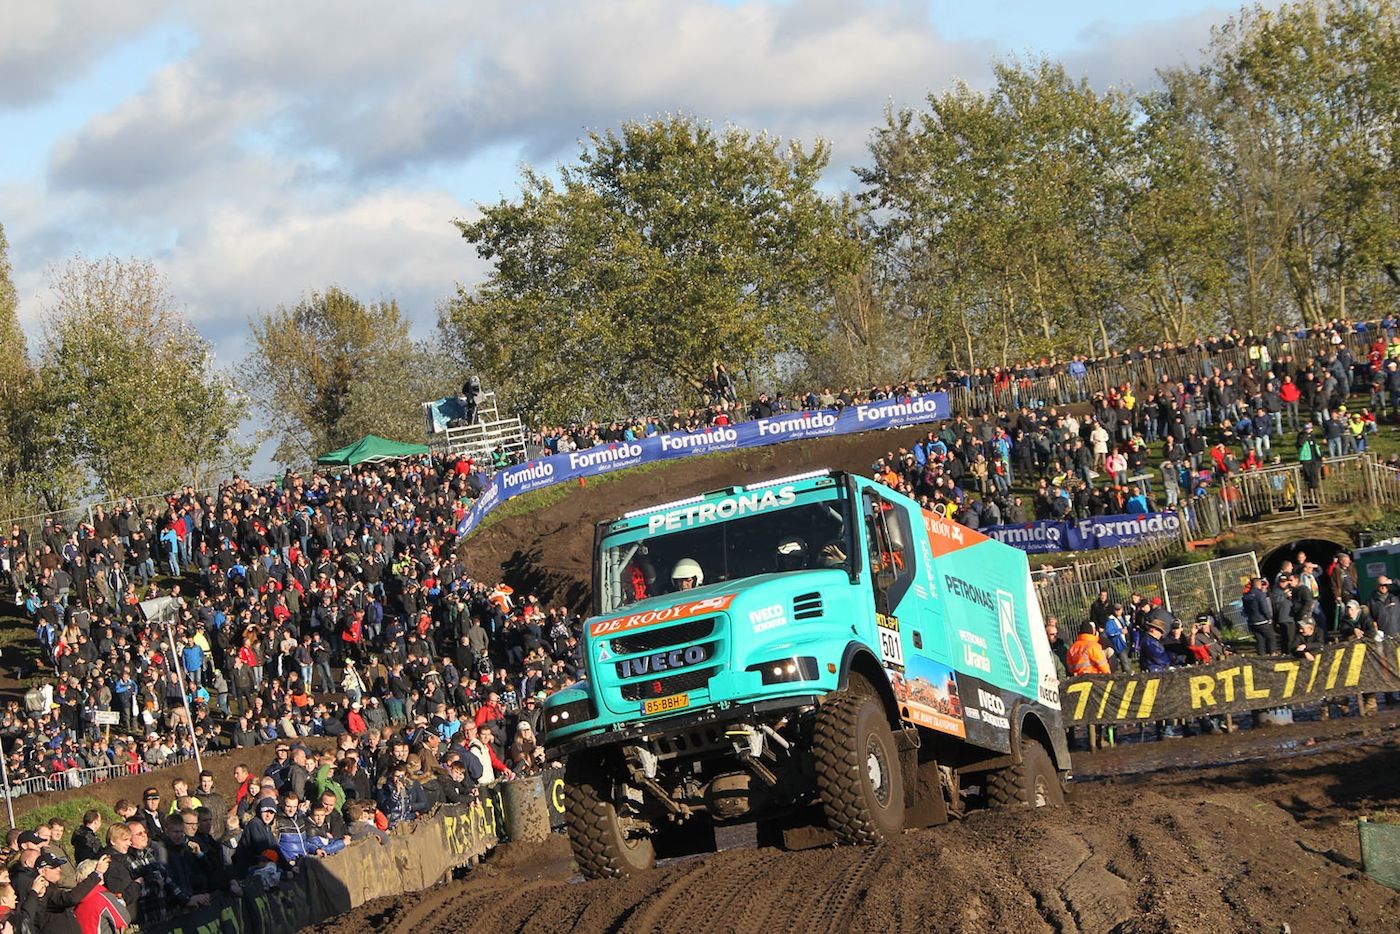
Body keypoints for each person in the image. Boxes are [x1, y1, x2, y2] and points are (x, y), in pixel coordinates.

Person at [21, 852, 106, 934]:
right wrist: (96, 874)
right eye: (54, 867)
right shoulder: (43, 891)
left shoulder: (53, 888)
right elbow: (71, 898)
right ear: (42, 871)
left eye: (59, 866)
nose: (59, 870)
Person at [1242, 577, 1276, 655]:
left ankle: (1261, 656)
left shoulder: (1246, 596)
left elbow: (1245, 609)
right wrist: (1269, 617)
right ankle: (1273, 653)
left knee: (1260, 639)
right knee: (1271, 637)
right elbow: (1264, 608)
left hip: (1251, 621)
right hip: (1262, 621)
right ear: (1258, 584)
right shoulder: (1260, 595)